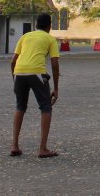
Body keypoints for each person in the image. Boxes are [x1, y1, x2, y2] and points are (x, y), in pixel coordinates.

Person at [10, 13, 60, 158]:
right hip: (37, 73)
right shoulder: (50, 39)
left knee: (20, 106)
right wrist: (55, 88)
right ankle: (42, 148)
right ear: (49, 26)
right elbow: (55, 63)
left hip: (19, 72)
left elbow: (13, 61)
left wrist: (15, 79)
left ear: (36, 25)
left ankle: (14, 145)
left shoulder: (25, 36)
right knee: (46, 107)